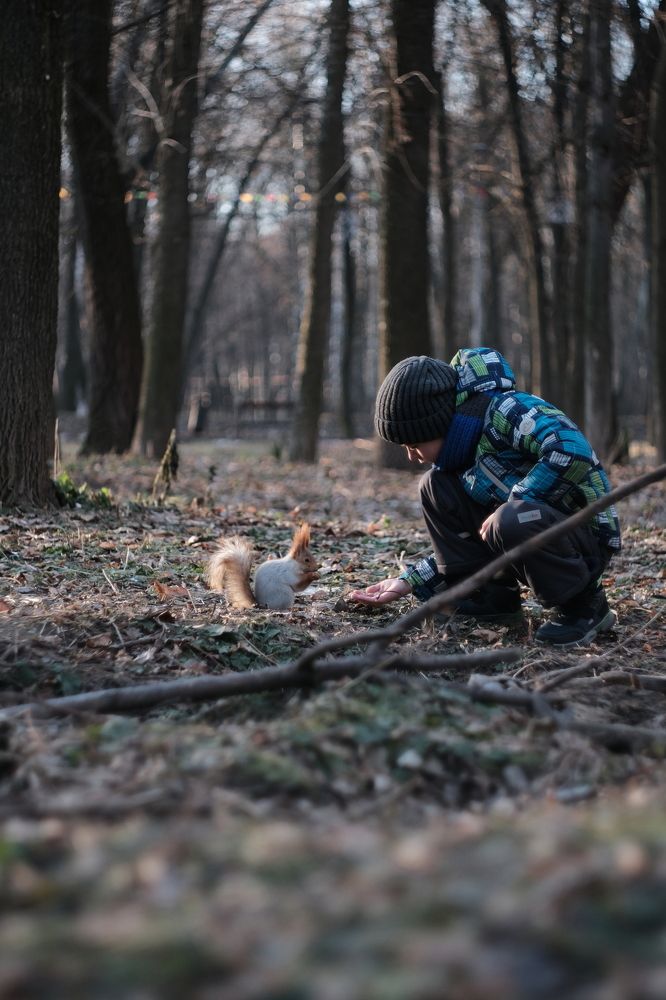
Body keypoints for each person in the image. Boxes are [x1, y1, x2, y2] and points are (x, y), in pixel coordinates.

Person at [350, 348, 621, 648]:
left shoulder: (508, 411)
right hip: (526, 526)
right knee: (434, 486)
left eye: (414, 445)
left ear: (438, 424)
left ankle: (585, 607)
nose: (412, 457)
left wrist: (517, 498)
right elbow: (474, 537)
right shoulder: (464, 453)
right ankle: (490, 598)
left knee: (510, 518)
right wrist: (407, 582)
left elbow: (572, 450)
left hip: (583, 538)